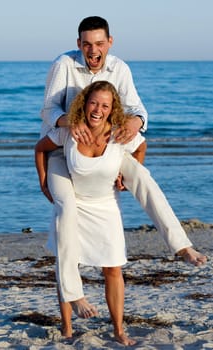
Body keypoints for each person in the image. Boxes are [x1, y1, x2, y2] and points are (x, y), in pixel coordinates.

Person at [40, 16, 207, 323]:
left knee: (143, 177)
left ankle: (182, 246)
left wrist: (135, 122)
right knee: (65, 212)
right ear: (78, 44)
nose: (93, 51)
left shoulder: (120, 69)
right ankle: (74, 296)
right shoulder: (63, 64)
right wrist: (70, 122)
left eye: (100, 44)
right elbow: (48, 110)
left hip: (108, 149)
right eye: (87, 44)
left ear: (110, 43)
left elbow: (138, 110)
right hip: (66, 152)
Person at [36, 81, 147, 346]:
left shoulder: (120, 134)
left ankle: (119, 330)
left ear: (112, 109)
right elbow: (41, 148)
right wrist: (44, 183)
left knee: (113, 268)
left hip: (106, 205)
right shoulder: (71, 131)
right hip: (73, 202)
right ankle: (67, 328)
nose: (98, 109)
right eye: (93, 103)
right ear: (84, 103)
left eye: (105, 105)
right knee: (67, 261)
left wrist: (129, 175)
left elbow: (141, 147)